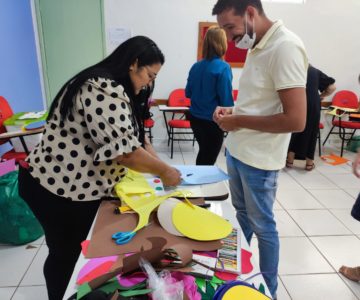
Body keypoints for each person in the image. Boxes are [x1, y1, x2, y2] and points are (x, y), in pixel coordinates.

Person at [17, 36, 181, 300]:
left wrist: (162, 166)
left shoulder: (120, 90)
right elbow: (126, 153)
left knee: (72, 250)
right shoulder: (101, 88)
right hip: (55, 188)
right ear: (133, 64)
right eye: (149, 75)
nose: (149, 83)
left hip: (73, 186)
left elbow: (137, 139)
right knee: (64, 253)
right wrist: (164, 172)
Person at [212, 0, 308, 298]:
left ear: (251, 12)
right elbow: (260, 103)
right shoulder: (257, 46)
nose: (229, 38)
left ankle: (267, 291)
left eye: (231, 27)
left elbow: (296, 119)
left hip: (259, 159)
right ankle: (237, 271)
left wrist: (238, 119)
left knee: (263, 227)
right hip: (238, 150)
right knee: (241, 214)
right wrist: (233, 111)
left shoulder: (285, 46)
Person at [185, 25, 234, 165]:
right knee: (208, 158)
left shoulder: (196, 66)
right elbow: (226, 101)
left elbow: (188, 93)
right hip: (212, 122)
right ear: (223, 44)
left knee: (203, 153)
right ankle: (199, 184)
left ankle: (198, 182)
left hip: (195, 119)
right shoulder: (223, 67)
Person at [287, 65, 336, 170]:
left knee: (295, 130)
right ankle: (309, 164)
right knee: (312, 131)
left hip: (296, 101)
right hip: (313, 103)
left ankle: (289, 161)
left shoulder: (292, 68)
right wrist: (321, 96)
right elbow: (332, 87)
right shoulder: (314, 71)